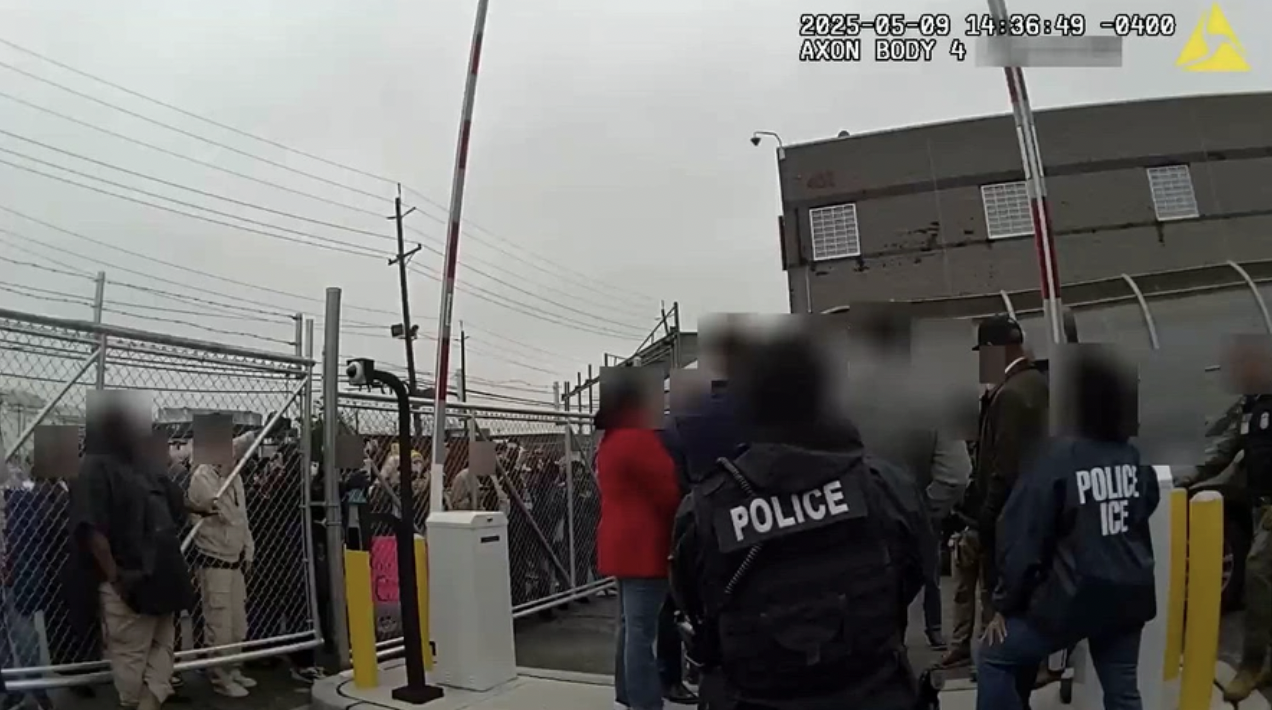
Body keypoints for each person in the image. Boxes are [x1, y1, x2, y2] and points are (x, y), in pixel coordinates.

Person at [670, 325, 936, 710]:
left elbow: (695, 605)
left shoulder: (704, 510)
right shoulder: (884, 486)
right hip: (874, 691)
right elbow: (914, 573)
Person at [975, 346, 1159, 710]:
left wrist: (1003, 604)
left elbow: (1023, 538)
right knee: (1122, 692)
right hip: (1128, 595)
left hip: (1071, 599)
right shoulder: (1130, 455)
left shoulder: (1056, 457)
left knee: (994, 658)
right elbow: (1146, 503)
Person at [846, 307, 972, 650]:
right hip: (915, 516)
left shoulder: (841, 397)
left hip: (855, 522)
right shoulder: (934, 396)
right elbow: (957, 476)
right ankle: (933, 629)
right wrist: (920, 510)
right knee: (925, 572)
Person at [69, 397, 195, 710]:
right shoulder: (94, 466)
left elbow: (176, 501)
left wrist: (201, 507)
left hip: (163, 576)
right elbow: (92, 529)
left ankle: (148, 703)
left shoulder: (144, 465)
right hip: (129, 578)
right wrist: (115, 578)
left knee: (164, 651)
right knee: (131, 663)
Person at [1173, 336, 1272, 701]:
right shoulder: (1251, 405)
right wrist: (1188, 478)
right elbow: (1226, 448)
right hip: (1257, 504)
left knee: (1257, 574)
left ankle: (1250, 664)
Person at [596, 368, 683, 710]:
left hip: (619, 543)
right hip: (646, 546)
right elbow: (667, 491)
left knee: (628, 626)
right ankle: (645, 702)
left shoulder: (612, 438)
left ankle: (626, 695)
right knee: (642, 633)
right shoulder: (640, 436)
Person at [188, 431, 257, 698]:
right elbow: (223, 511)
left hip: (235, 560)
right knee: (219, 623)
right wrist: (227, 472)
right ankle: (220, 676)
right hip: (214, 559)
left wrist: (248, 549)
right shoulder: (203, 477)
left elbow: (242, 518)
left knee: (238, 621)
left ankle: (234, 667)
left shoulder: (235, 475)